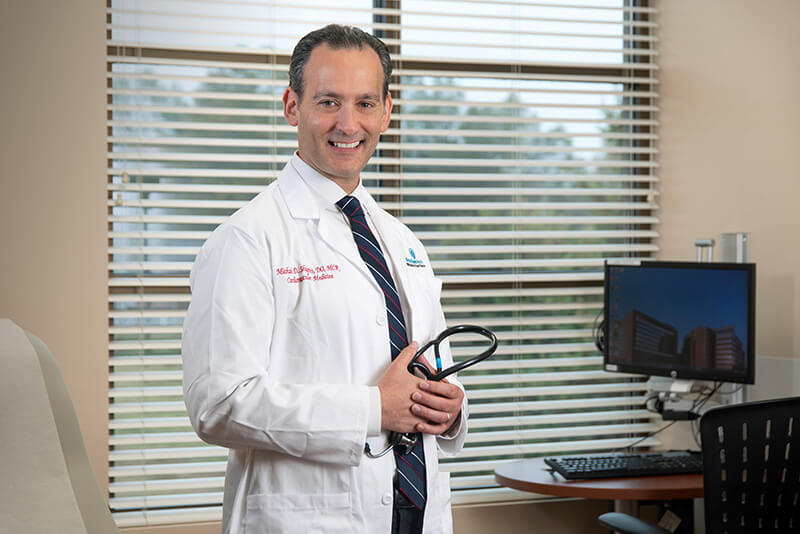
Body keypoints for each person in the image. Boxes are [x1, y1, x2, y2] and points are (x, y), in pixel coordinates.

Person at [182, 24, 468, 534]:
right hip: (307, 518)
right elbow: (218, 405)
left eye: (364, 103)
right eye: (329, 101)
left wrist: (447, 407)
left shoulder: (404, 243)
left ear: (386, 112)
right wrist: (372, 408)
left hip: (415, 514)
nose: (348, 123)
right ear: (293, 106)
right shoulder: (247, 239)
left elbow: (426, 369)